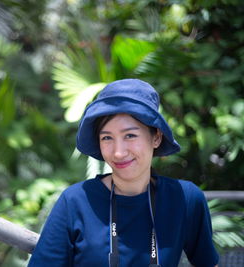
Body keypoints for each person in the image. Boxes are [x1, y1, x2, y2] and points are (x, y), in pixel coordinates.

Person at [28, 79, 219, 267]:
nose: (118, 152)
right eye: (107, 138)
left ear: (156, 138)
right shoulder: (75, 201)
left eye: (130, 135)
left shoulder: (184, 199)